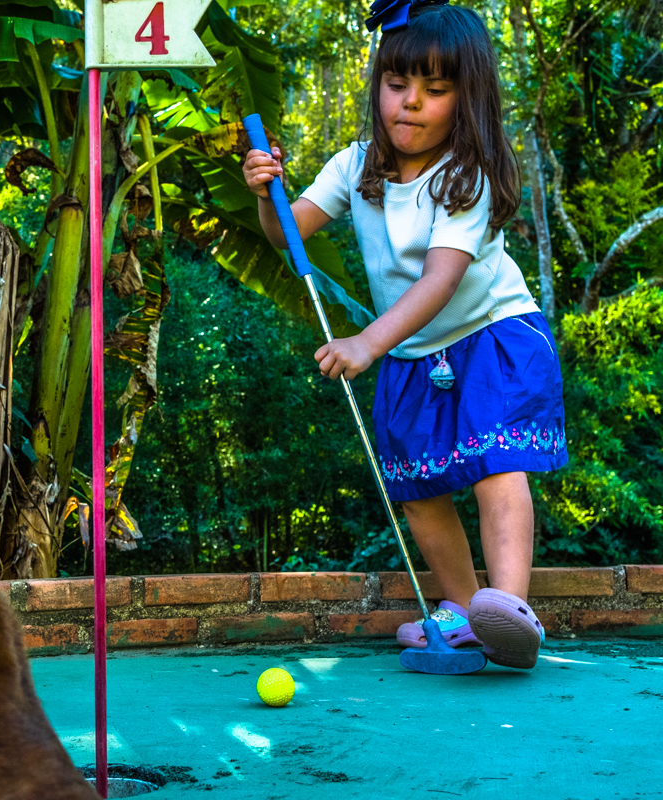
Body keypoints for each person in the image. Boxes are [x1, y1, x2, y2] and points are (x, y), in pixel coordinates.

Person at [240, 0, 566, 669]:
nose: (410, 104)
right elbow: (284, 237)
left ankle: (509, 607)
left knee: (496, 467)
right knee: (418, 490)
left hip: (490, 335)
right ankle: (465, 609)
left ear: (464, 98)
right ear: (378, 83)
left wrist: (365, 344)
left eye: (435, 89)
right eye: (397, 85)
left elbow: (439, 281)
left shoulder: (464, 175)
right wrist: (265, 192)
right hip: (414, 351)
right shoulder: (353, 166)